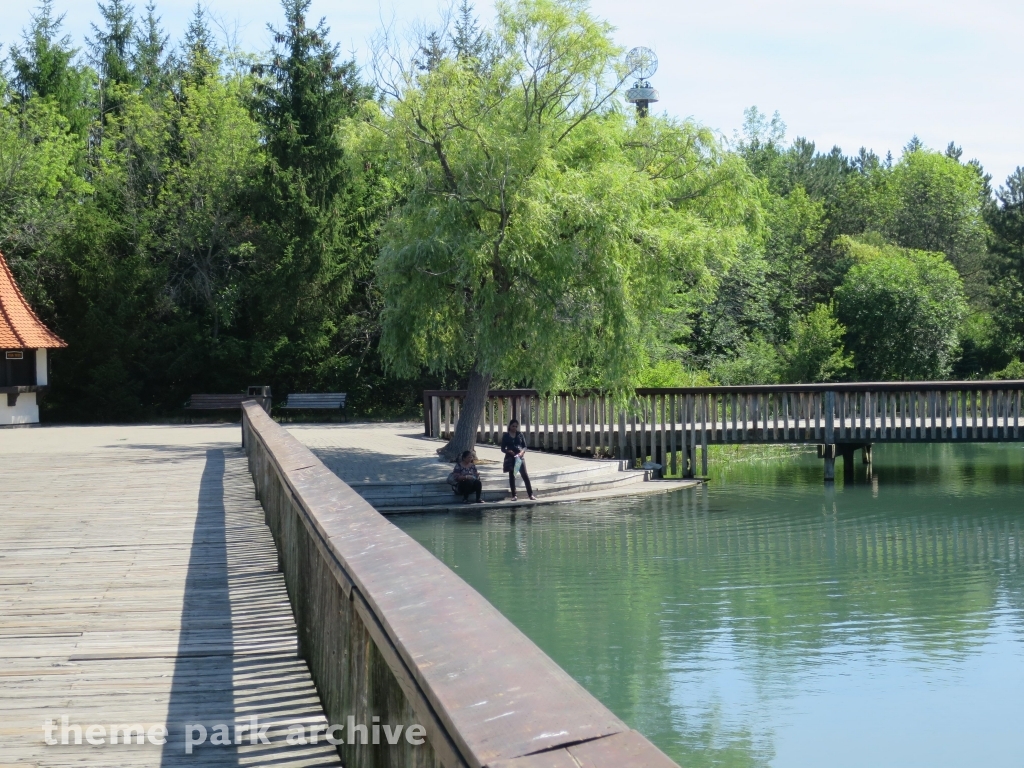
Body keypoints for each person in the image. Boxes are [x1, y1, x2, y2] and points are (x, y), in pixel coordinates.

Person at [500, 419, 536, 501]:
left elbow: (525, 446)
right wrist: (508, 451)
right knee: (512, 476)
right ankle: (514, 495)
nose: (514, 428)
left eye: (516, 426)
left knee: (525, 475)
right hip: (511, 457)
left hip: (519, 457)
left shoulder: (520, 434)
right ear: (510, 426)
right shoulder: (506, 436)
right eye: (513, 426)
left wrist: (522, 453)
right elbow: (502, 448)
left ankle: (530, 494)